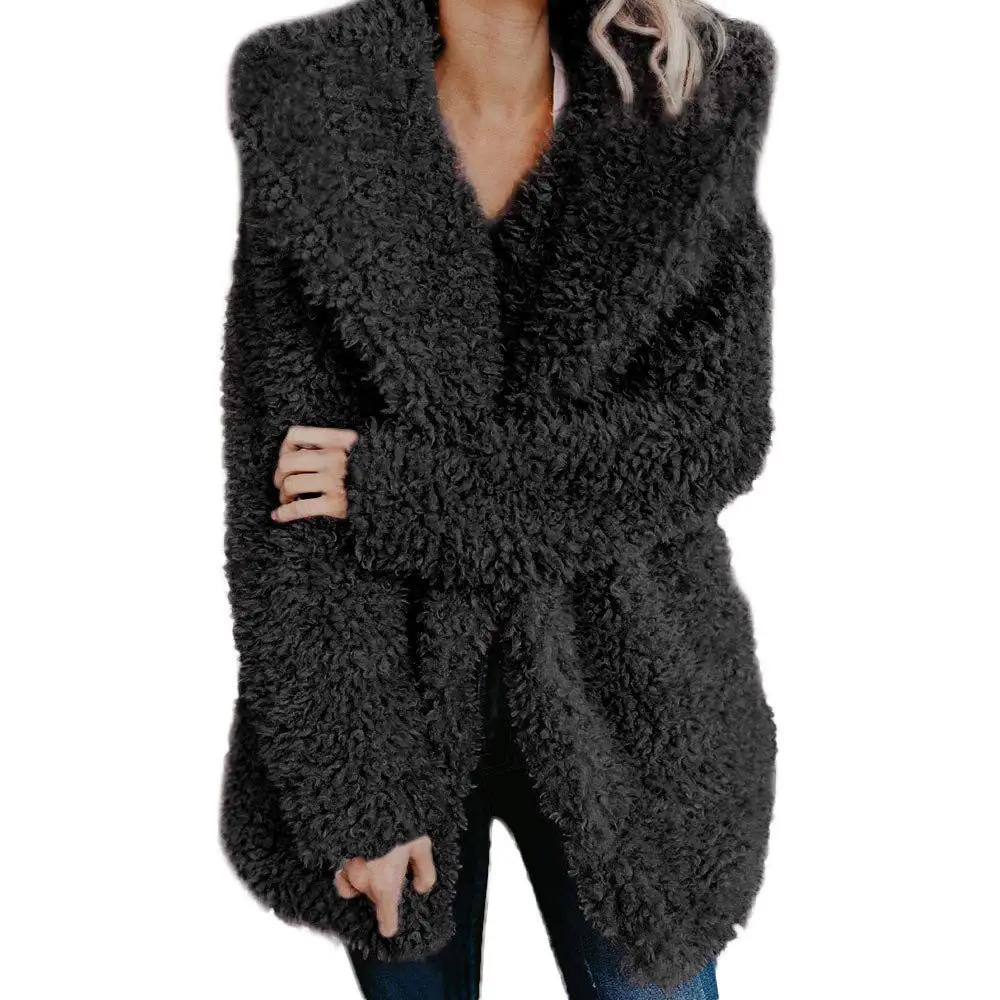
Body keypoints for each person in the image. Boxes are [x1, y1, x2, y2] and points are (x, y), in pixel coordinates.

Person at [219, 0, 777, 997]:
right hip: (392, 694)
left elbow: (704, 437)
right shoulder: (316, 100)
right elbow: (283, 496)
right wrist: (361, 789)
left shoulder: (685, 94)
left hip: (629, 702)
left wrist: (400, 490)